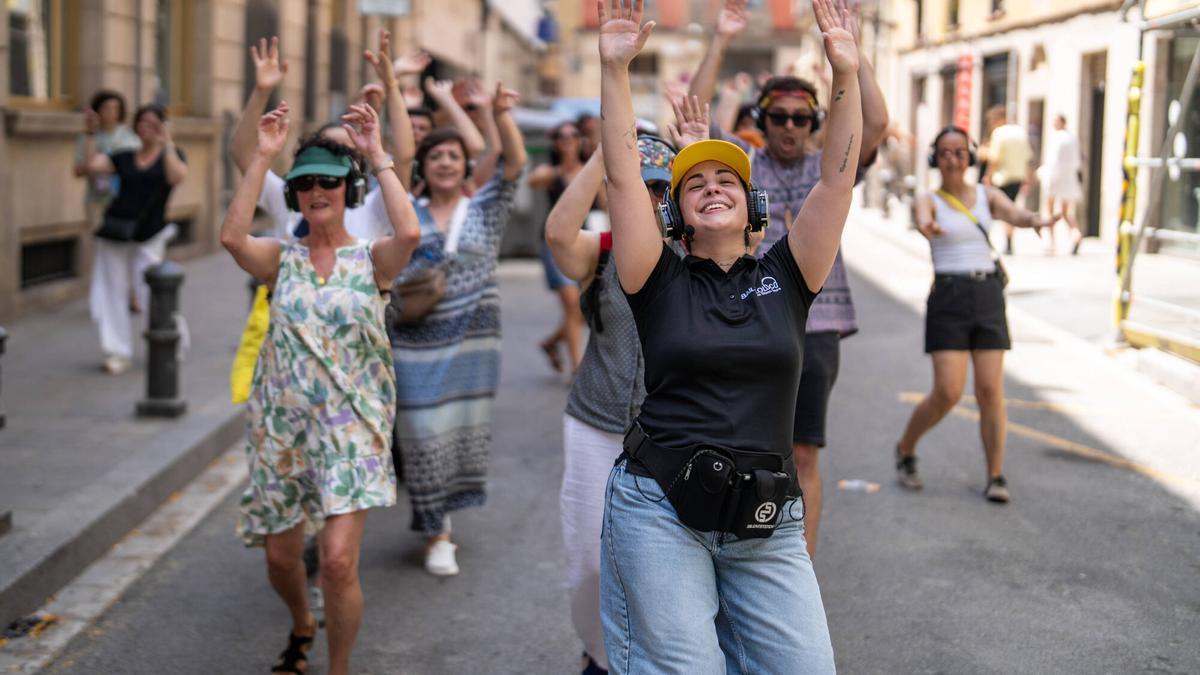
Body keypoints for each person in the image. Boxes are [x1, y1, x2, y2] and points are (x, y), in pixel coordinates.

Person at [595, 0, 860, 670]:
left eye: (727, 180)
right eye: (695, 184)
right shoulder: (655, 275)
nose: (712, 187)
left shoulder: (791, 273)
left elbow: (837, 178)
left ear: (755, 209)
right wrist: (614, 71)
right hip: (660, 509)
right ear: (679, 216)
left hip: (765, 519)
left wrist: (846, 73)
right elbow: (624, 174)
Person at [222, 100, 421, 675]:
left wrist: (378, 156)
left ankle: (339, 667)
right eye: (305, 182)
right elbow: (233, 237)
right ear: (296, 195)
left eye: (328, 182)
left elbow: (408, 230)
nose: (316, 191)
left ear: (346, 190)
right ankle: (302, 622)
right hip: (282, 430)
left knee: (336, 562)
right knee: (283, 559)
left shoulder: (370, 261)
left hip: (352, 430)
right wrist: (263, 156)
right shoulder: (279, 261)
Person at [689, 0, 888, 558]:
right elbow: (696, 118)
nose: (791, 128)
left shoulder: (831, 166)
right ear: (763, 119)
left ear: (816, 123)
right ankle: (735, 552)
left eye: (802, 119)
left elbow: (875, 126)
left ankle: (801, 565)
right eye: (779, 117)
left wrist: (852, 54)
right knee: (741, 446)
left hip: (817, 324)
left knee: (803, 454)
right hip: (748, 316)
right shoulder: (743, 165)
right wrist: (721, 41)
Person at [545, 127, 680, 673]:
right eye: (634, 184)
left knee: (659, 568)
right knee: (589, 563)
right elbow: (557, 234)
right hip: (595, 424)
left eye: (657, 188)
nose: (644, 198)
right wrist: (604, 152)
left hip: (669, 438)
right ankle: (598, 653)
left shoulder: (695, 256)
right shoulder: (601, 252)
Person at [389, 82, 527, 577]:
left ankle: (440, 519)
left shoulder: (485, 208)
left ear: (464, 165)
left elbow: (513, 164)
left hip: (472, 345)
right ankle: (437, 531)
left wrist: (500, 114)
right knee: (423, 432)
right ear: (423, 168)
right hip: (414, 344)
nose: (444, 162)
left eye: (452, 155)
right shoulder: (404, 209)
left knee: (457, 432)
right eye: (435, 156)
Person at [895, 126, 1057, 505]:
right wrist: (927, 226)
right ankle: (905, 448)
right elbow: (922, 217)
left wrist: (1035, 221)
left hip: (986, 294)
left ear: (969, 156)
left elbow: (1014, 213)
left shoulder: (987, 195)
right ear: (936, 159)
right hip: (948, 297)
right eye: (945, 152)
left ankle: (996, 475)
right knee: (948, 392)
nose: (952, 158)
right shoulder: (929, 199)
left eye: (959, 151)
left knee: (989, 390)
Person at [231, 32, 417, 240]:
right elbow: (243, 155)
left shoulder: (372, 208)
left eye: (347, 151)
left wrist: (392, 86)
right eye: (327, 147)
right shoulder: (292, 197)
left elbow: (404, 158)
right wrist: (260, 92)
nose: (317, 190)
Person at [80, 103, 188, 375]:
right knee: (112, 290)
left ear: (164, 126)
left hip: (150, 233)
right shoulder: (124, 156)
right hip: (116, 230)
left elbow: (177, 177)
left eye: (155, 123)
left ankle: (169, 340)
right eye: (143, 123)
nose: (148, 128)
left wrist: (168, 143)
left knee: (152, 291)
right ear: (135, 127)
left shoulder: (171, 156)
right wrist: (90, 134)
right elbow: (92, 167)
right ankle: (117, 351)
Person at [529, 121, 593, 373]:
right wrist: (562, 170)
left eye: (573, 135)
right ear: (555, 142)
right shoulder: (550, 171)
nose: (568, 140)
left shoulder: (590, 169)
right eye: (562, 136)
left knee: (583, 307)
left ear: (581, 140)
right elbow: (534, 181)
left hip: (586, 240)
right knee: (572, 304)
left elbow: (604, 202)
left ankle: (552, 342)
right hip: (554, 243)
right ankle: (577, 367)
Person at [984, 107, 1034, 255]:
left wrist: (988, 176)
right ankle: (1009, 241)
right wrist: (1027, 179)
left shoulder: (999, 133)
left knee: (996, 210)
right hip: (1017, 177)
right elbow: (1027, 159)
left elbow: (994, 159)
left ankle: (990, 240)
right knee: (1010, 208)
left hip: (1001, 178)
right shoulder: (1020, 132)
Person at [1040, 114, 1085, 254]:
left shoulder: (1056, 138)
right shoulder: (1072, 138)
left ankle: (1052, 243)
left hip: (1055, 176)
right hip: (1069, 177)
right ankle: (1075, 234)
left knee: (1050, 209)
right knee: (1066, 212)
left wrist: (1044, 173)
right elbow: (1077, 161)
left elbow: (1052, 161)